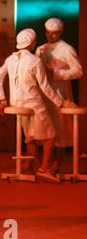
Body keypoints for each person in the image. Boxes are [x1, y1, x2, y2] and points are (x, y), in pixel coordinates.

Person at [0, 28, 77, 182]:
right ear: (32, 43)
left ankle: (36, 168)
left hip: (15, 103)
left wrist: (2, 100)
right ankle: (44, 169)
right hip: (33, 104)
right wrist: (61, 102)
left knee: (30, 137)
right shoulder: (35, 61)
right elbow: (45, 87)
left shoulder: (10, 59)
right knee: (52, 136)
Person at [36, 18, 83, 176]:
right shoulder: (40, 49)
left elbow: (78, 71)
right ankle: (44, 166)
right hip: (44, 94)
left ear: (61, 32)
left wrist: (55, 73)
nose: (51, 36)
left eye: (54, 33)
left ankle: (56, 165)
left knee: (61, 131)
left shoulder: (67, 49)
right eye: (48, 33)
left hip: (61, 94)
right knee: (46, 131)